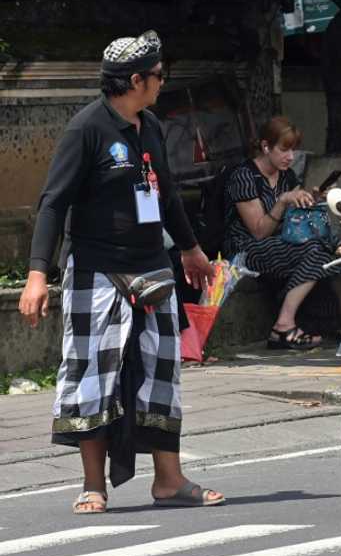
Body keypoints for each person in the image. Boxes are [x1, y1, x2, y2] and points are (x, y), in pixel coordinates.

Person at [18, 30, 224, 513]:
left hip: (153, 267)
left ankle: (169, 481)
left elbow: (167, 193)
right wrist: (36, 274)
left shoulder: (148, 125)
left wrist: (192, 250)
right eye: (157, 75)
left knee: (161, 373)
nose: (161, 81)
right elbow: (53, 203)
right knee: (92, 376)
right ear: (135, 80)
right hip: (97, 270)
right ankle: (94, 485)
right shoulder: (85, 129)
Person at [223, 116, 341, 349]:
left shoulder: (287, 176)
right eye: (284, 150)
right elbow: (259, 232)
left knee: (338, 251)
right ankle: (283, 326)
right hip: (247, 249)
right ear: (266, 147)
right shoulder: (243, 176)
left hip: (283, 242)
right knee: (317, 250)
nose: (290, 157)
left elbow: (294, 223)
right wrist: (283, 201)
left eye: (293, 150)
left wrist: (310, 199)